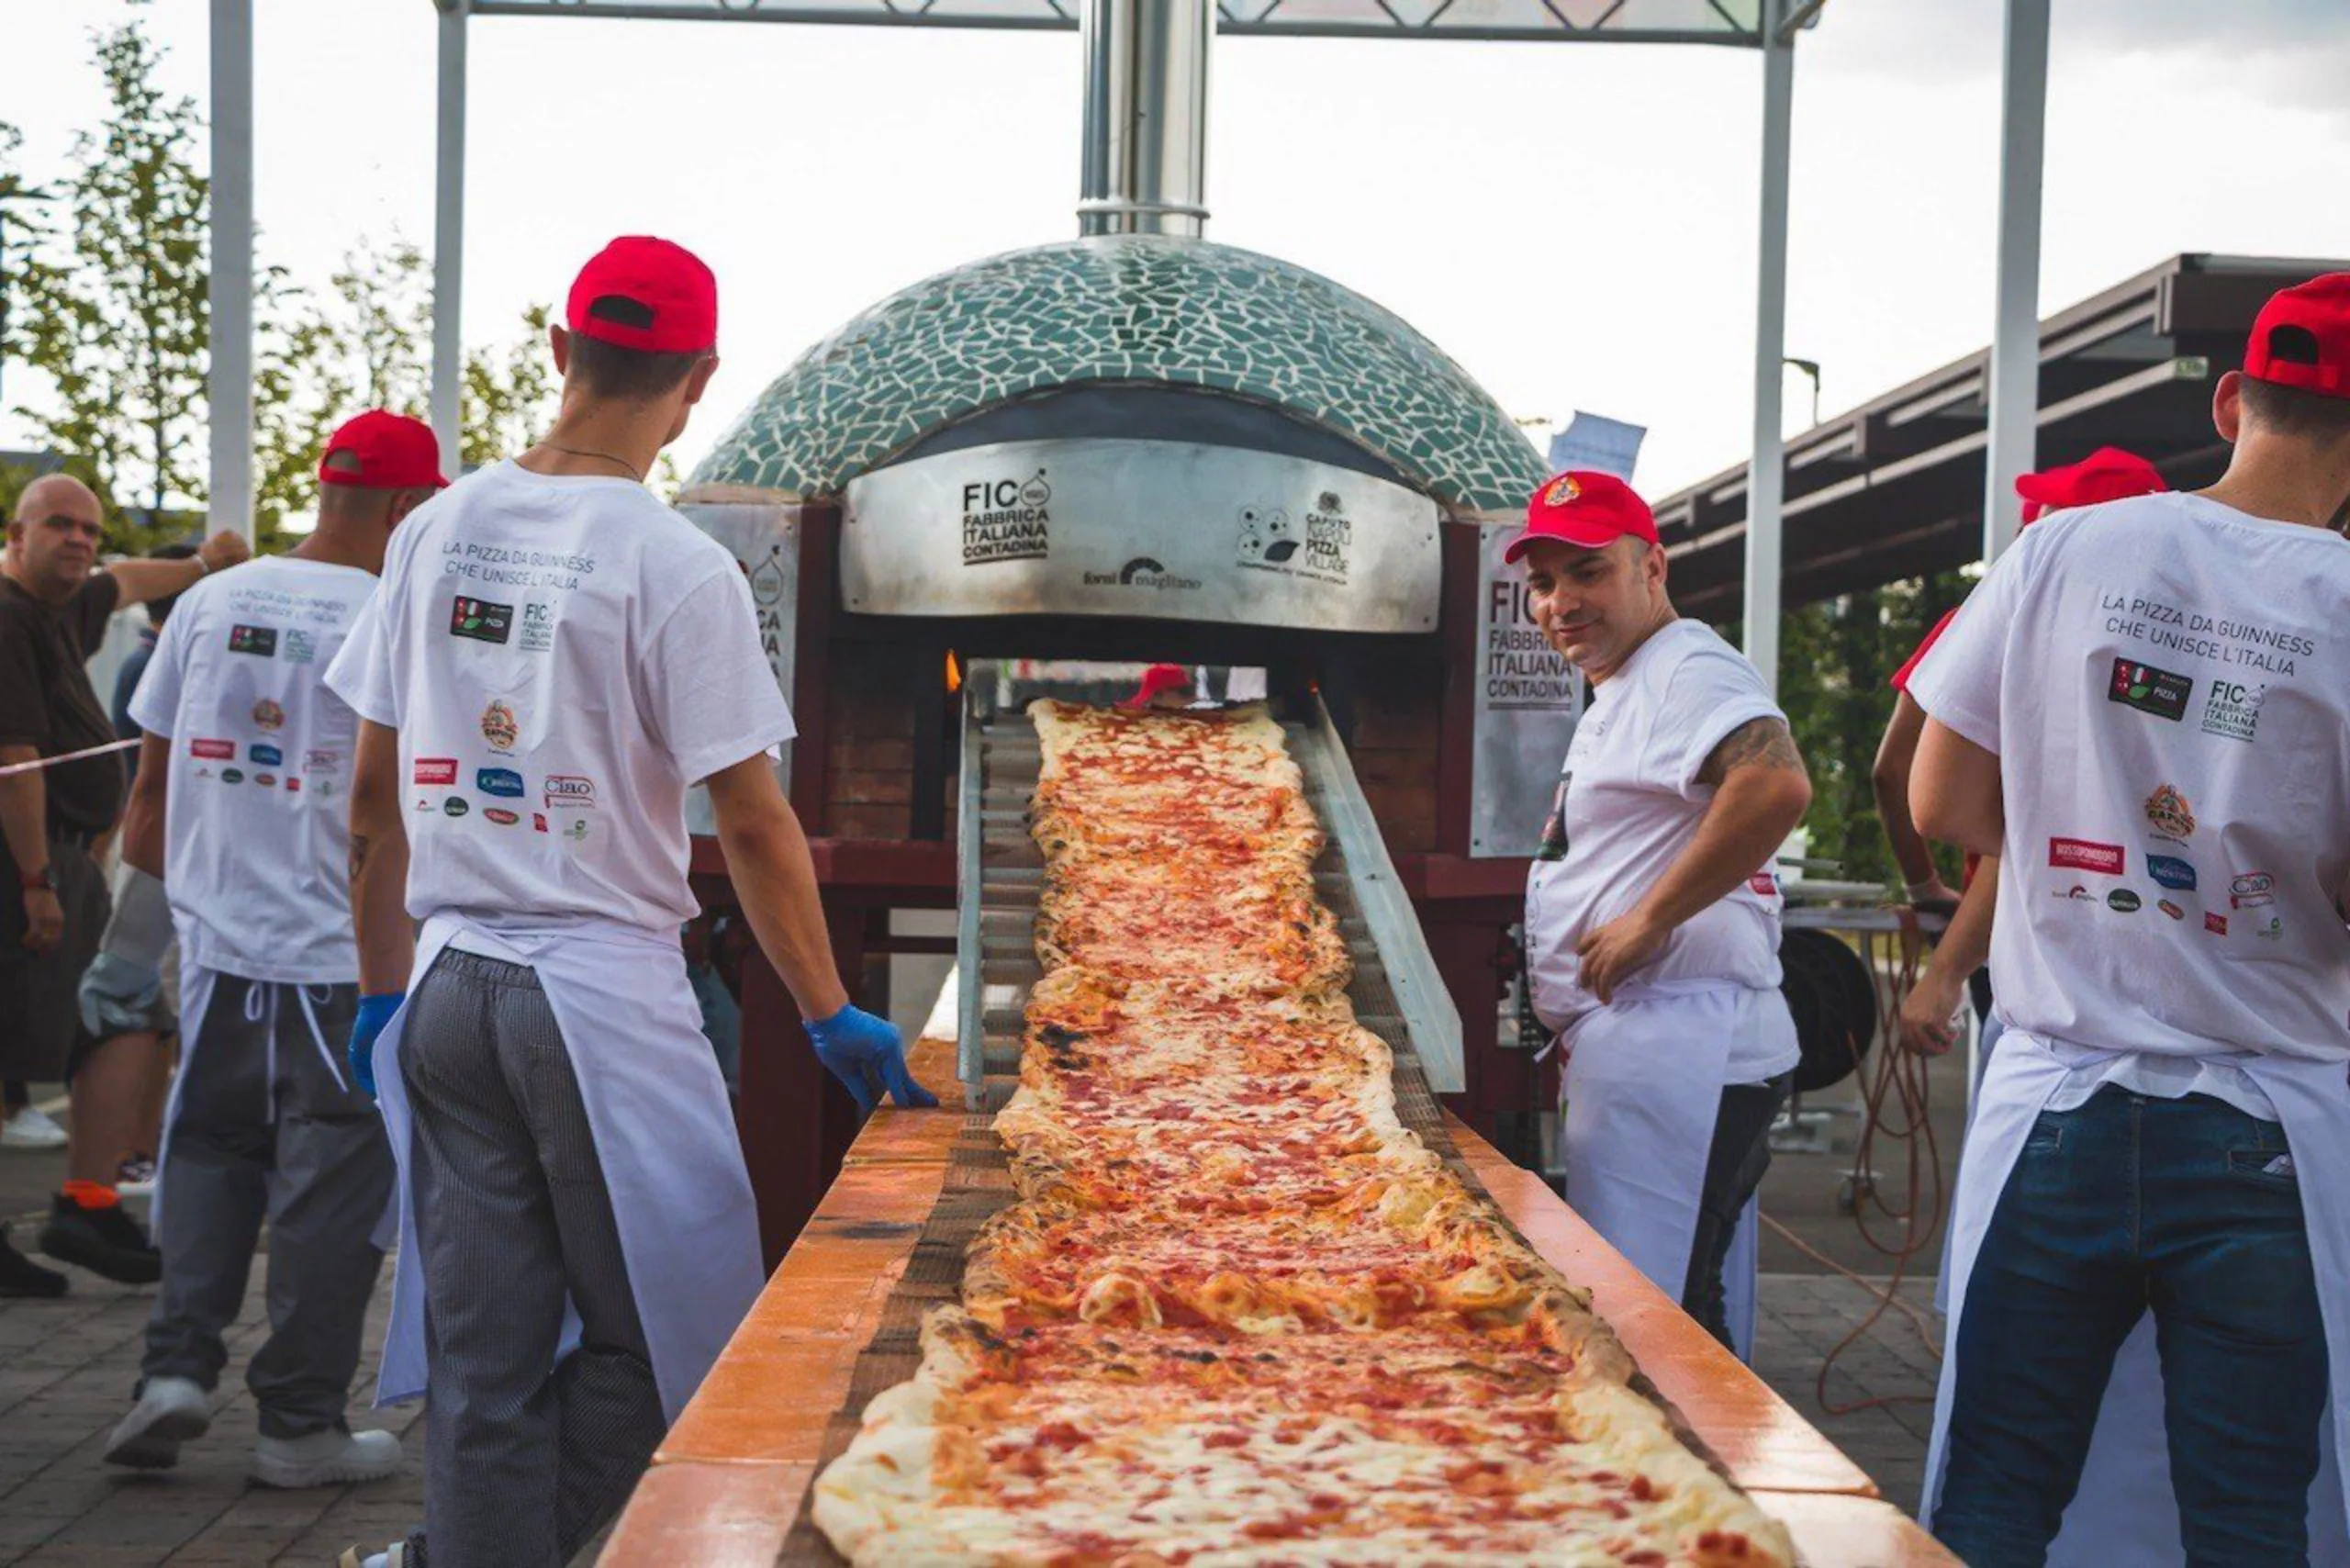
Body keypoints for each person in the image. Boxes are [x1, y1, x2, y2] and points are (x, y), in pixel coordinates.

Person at [327, 237, 935, 1568]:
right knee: (695, 1337)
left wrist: (381, 988)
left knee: (485, 1365)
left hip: (447, 984)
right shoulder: (677, 565)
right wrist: (833, 1014)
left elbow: (368, 794)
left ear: (560, 350)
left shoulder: (430, 528)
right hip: (596, 1001)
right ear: (700, 379)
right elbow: (754, 818)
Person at [1909, 272, 2350, 1566]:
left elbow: (1943, 793)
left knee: (1995, 1497)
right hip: (2268, 1128)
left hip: (2056, 1105)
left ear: (2230, 402)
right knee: (2248, 1517)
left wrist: (2079, 838)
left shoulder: (2063, 550)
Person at [98, 412, 444, 1485]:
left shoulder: (204, 602)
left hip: (215, 957)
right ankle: (298, 1426)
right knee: (328, 1194)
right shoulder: (394, 618)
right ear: (401, 507)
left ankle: (174, 1375)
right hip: (344, 964)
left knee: (204, 1156)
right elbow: (400, 812)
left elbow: (147, 806)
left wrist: (164, 926)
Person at [1515, 470, 1813, 1352]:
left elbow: (1775, 781)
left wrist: (1649, 918)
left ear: (1653, 567)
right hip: (1656, 1043)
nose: (1561, 602)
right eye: (1543, 582)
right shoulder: (1635, 678)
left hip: (1685, 1044)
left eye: (1588, 572)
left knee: (1654, 1320)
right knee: (1670, 1300)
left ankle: (1697, 1481)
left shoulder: (1686, 665)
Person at [0, 475, 247, 1295]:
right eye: (59, 526)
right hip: (29, 861)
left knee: (112, 1021)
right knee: (85, 1025)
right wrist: (39, 878)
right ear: (15, 535)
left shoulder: (63, 604)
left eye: (89, 529)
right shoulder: (7, 616)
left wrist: (207, 562)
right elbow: (16, 765)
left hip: (65, 861)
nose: (79, 540)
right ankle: (78, 1204)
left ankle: (88, 1200)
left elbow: (129, 579)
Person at [1878, 448, 2167, 1061]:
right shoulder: (2178, 647)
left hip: (2020, 943)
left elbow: (1898, 774)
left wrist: (1934, 923)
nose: (2023, 532)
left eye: (2042, 520)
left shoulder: (1984, 623)